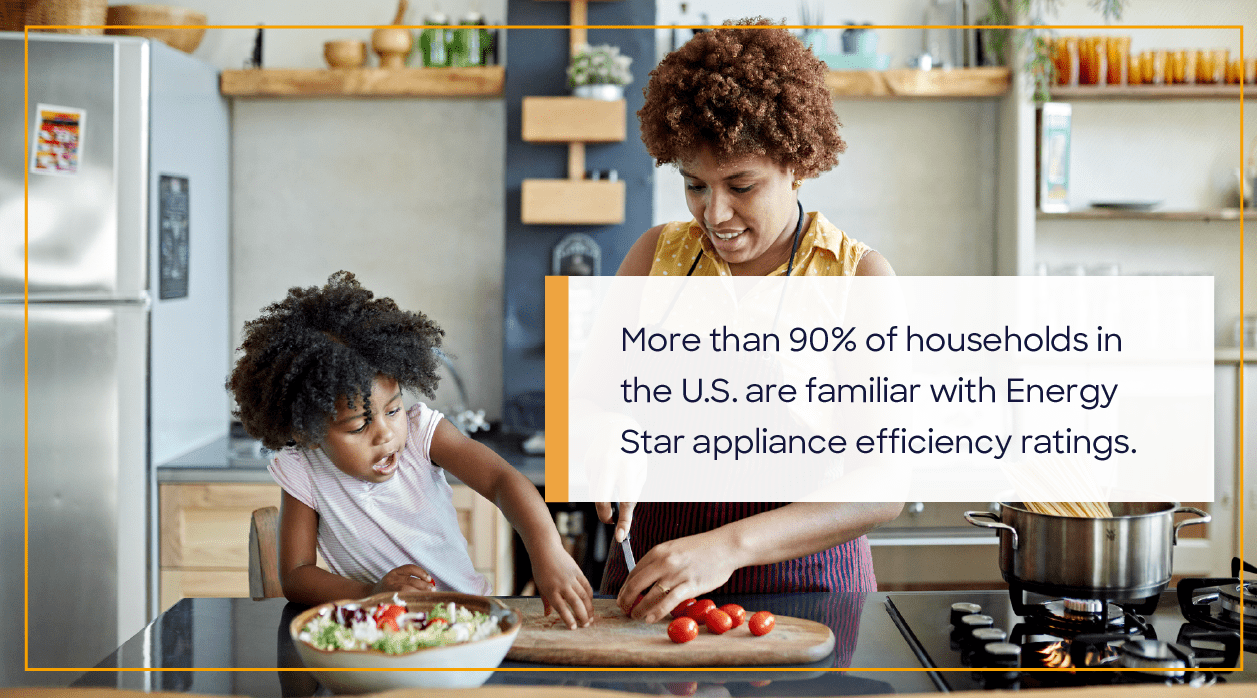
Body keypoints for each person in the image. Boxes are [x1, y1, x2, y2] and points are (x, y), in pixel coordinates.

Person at [600, 18, 904, 622]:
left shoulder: (857, 280)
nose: (715, 213)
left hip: (808, 592)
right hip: (656, 580)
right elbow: (594, 405)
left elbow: (880, 486)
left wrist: (727, 549)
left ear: (799, 163)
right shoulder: (655, 257)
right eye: (694, 186)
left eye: (741, 185)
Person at [228, 271, 594, 628]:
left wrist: (546, 550)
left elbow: (502, 479)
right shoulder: (304, 469)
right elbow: (295, 575)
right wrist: (371, 592)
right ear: (309, 432)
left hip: (467, 620)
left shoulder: (421, 434)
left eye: (393, 409)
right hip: (376, 631)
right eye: (358, 425)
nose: (385, 434)